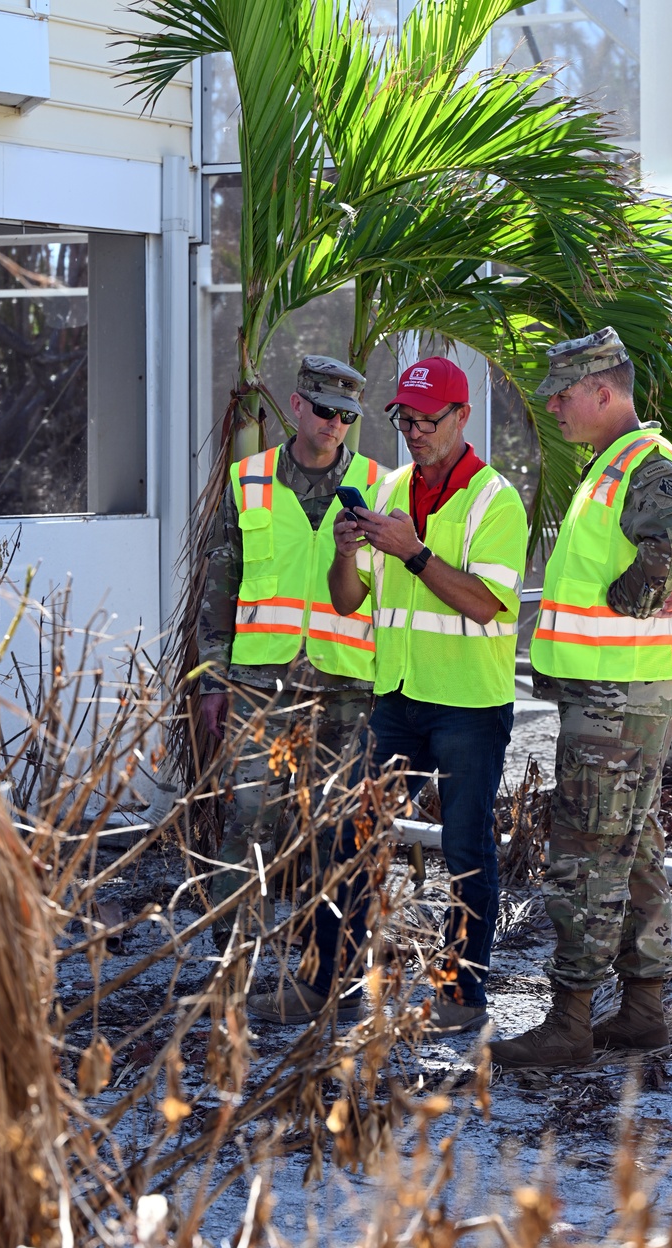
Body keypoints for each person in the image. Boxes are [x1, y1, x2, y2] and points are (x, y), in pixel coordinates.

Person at [255, 355, 529, 1027]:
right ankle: (327, 987)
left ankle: (462, 999)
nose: (413, 432)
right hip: (396, 699)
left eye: (427, 420)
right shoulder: (390, 488)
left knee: (465, 850)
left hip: (468, 703)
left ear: (462, 416)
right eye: (404, 420)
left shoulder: (496, 500)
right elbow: (349, 603)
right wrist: (347, 552)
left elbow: (487, 605)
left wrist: (413, 553)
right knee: (347, 835)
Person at [490, 328, 672, 1071]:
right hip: (619, 693)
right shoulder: (613, 466)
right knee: (635, 844)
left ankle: (570, 1022)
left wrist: (633, 598)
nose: (551, 407)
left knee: (587, 851)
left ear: (602, 392)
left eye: (562, 394)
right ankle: (644, 1008)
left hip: (616, 698)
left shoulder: (643, 465)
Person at [197, 355, 381, 952]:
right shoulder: (247, 479)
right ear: (297, 405)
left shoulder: (379, 487)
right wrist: (212, 681)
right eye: (324, 410)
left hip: (346, 686)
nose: (334, 425)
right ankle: (235, 955)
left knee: (335, 827)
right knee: (249, 817)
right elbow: (221, 584)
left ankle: (323, 961)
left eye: (346, 416)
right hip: (260, 681)